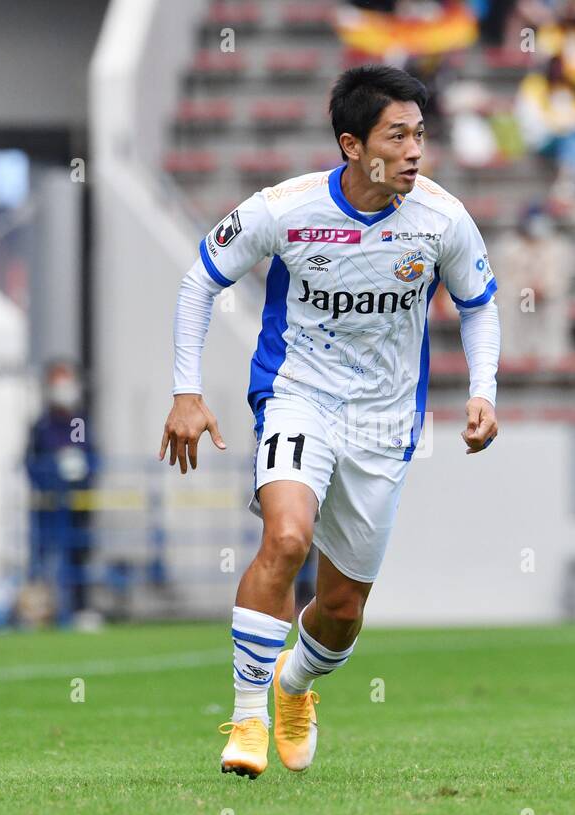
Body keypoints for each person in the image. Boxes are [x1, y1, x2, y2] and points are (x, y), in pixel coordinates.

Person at [160, 65, 500, 779]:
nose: (415, 151)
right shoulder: (284, 210)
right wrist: (186, 392)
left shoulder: (442, 219)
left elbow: (478, 303)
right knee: (286, 537)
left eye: (420, 135)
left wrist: (483, 389)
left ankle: (294, 686)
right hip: (297, 396)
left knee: (342, 611)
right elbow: (201, 280)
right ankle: (247, 719)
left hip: (384, 424)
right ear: (352, 144)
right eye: (397, 135)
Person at [25, 361, 100, 629]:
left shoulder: (79, 420)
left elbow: (92, 455)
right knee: (43, 557)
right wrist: (51, 475)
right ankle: (43, 611)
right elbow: (30, 462)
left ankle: (79, 609)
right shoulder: (42, 425)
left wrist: (81, 472)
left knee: (78, 554)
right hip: (48, 507)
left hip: (76, 504)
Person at [493, 204, 572, 361]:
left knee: (553, 312)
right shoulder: (508, 246)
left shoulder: (558, 246)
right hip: (518, 299)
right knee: (508, 308)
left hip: (547, 299)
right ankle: (513, 359)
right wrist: (525, 288)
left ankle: (551, 359)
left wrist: (543, 288)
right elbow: (500, 279)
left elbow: (561, 278)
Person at [515, 55, 575, 206]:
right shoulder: (534, 86)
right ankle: (569, 186)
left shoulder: (571, 87)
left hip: (567, 138)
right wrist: (562, 126)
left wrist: (566, 125)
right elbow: (532, 121)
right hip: (542, 139)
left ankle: (569, 186)